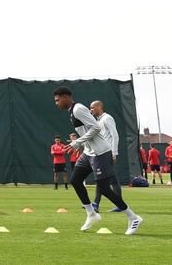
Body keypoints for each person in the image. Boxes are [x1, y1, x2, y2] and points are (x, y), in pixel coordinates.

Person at [53, 86, 142, 235]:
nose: (56, 103)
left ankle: (133, 218)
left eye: (57, 100)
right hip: (89, 153)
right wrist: (81, 143)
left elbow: (96, 128)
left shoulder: (78, 109)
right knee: (75, 180)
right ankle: (92, 214)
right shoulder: (72, 111)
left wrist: (78, 142)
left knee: (105, 190)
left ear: (66, 97)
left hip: (101, 152)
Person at [90, 100, 122, 213]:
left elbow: (115, 136)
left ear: (99, 107)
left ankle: (96, 204)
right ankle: (120, 204)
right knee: (112, 180)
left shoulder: (107, 118)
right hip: (101, 154)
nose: (91, 110)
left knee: (102, 180)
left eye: (93, 107)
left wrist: (114, 153)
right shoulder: (98, 121)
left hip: (107, 154)